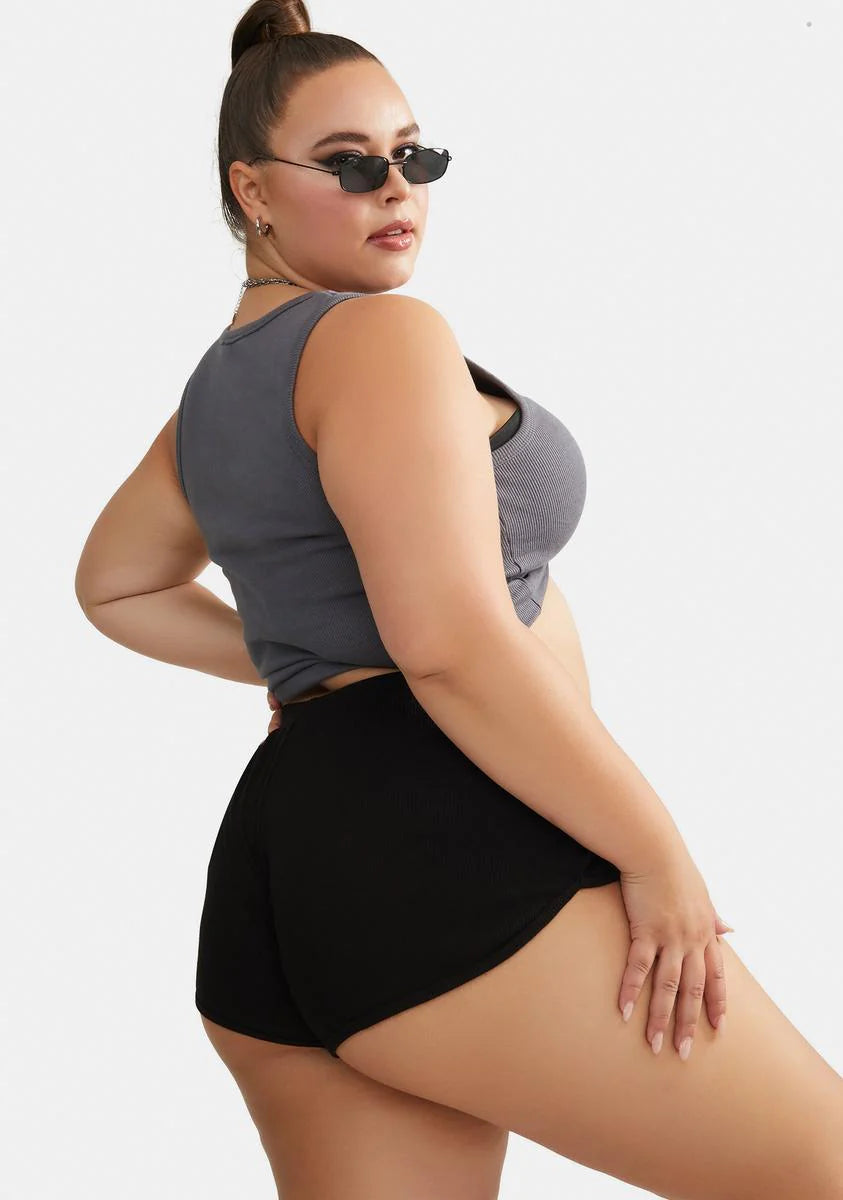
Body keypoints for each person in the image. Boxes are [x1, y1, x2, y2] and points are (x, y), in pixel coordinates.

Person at [74, 2, 843, 1197]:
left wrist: (298, 663)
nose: (397, 188)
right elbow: (449, 648)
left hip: (282, 880)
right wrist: (657, 857)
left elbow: (117, 586)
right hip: (439, 844)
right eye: (349, 164)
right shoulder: (378, 339)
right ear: (252, 190)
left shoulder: (211, 402)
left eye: (413, 154)